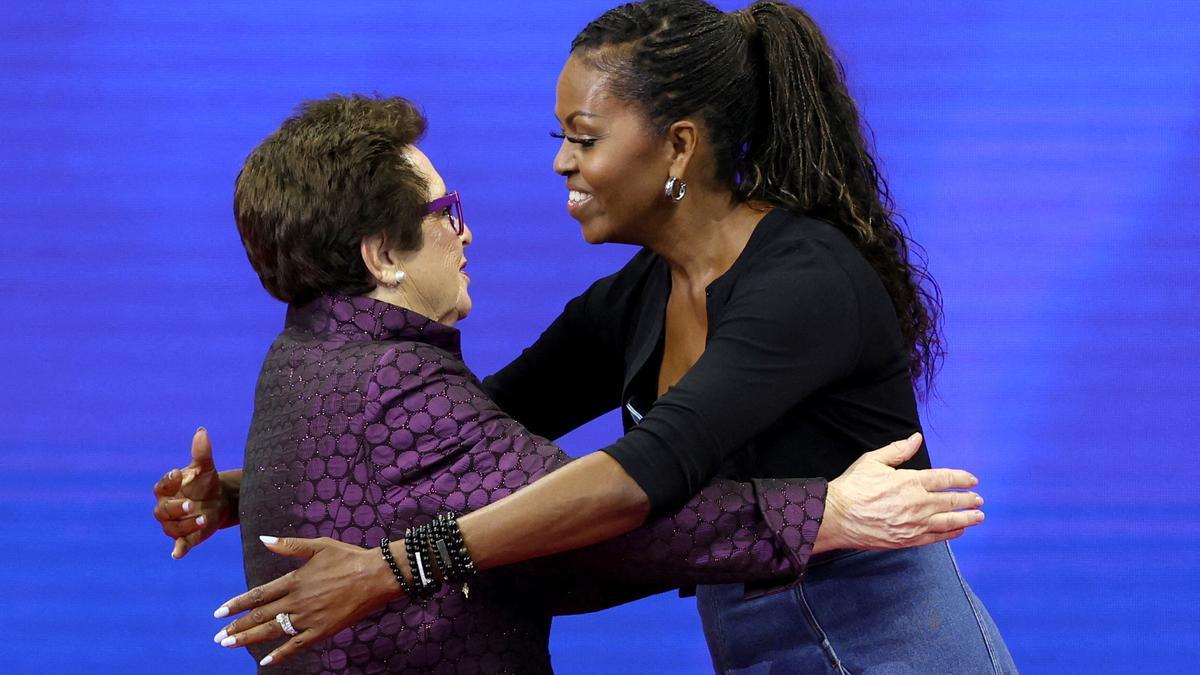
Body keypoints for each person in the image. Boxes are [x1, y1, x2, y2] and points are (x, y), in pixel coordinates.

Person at [157, 1, 1015, 671]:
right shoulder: (639, 295)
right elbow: (464, 436)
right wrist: (258, 485)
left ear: (677, 148)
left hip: (887, 643)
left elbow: (639, 482)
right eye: (560, 138)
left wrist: (397, 566)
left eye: (584, 138)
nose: (561, 164)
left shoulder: (803, 282)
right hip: (757, 642)